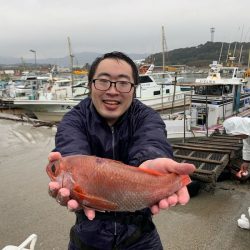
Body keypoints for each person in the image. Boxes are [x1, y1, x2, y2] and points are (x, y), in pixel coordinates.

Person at [48, 51, 196, 249]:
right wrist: (66, 172)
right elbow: (71, 149)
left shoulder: (146, 116)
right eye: (103, 81)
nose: (112, 90)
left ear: (134, 89)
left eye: (123, 83)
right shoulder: (73, 120)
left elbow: (152, 140)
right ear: (90, 84)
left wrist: (152, 161)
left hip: (141, 236)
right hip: (87, 236)